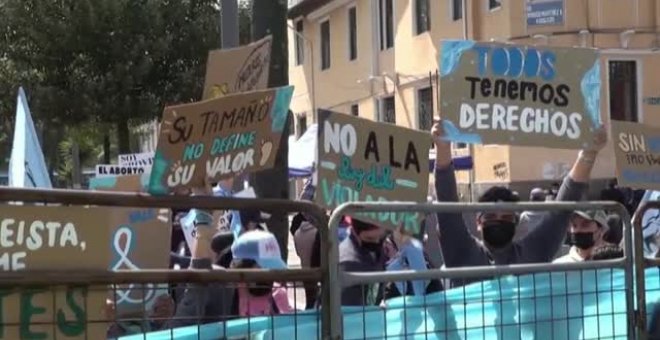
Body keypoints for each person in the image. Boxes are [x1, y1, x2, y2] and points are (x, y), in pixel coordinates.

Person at [431, 120, 607, 287]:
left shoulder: (532, 252)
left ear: (516, 223)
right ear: (478, 222)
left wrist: (588, 153)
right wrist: (443, 147)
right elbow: (447, 209)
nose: (498, 222)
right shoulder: (462, 251)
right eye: (491, 216)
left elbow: (562, 207)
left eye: (506, 217)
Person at [229, 230, 294, 316]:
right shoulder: (229, 293)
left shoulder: (278, 294)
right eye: (264, 266)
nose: (271, 272)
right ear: (244, 265)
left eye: (274, 267)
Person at [339, 217, 387, 306]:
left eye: (380, 237)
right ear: (354, 231)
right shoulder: (348, 264)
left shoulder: (376, 252)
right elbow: (348, 312)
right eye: (370, 238)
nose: (376, 242)